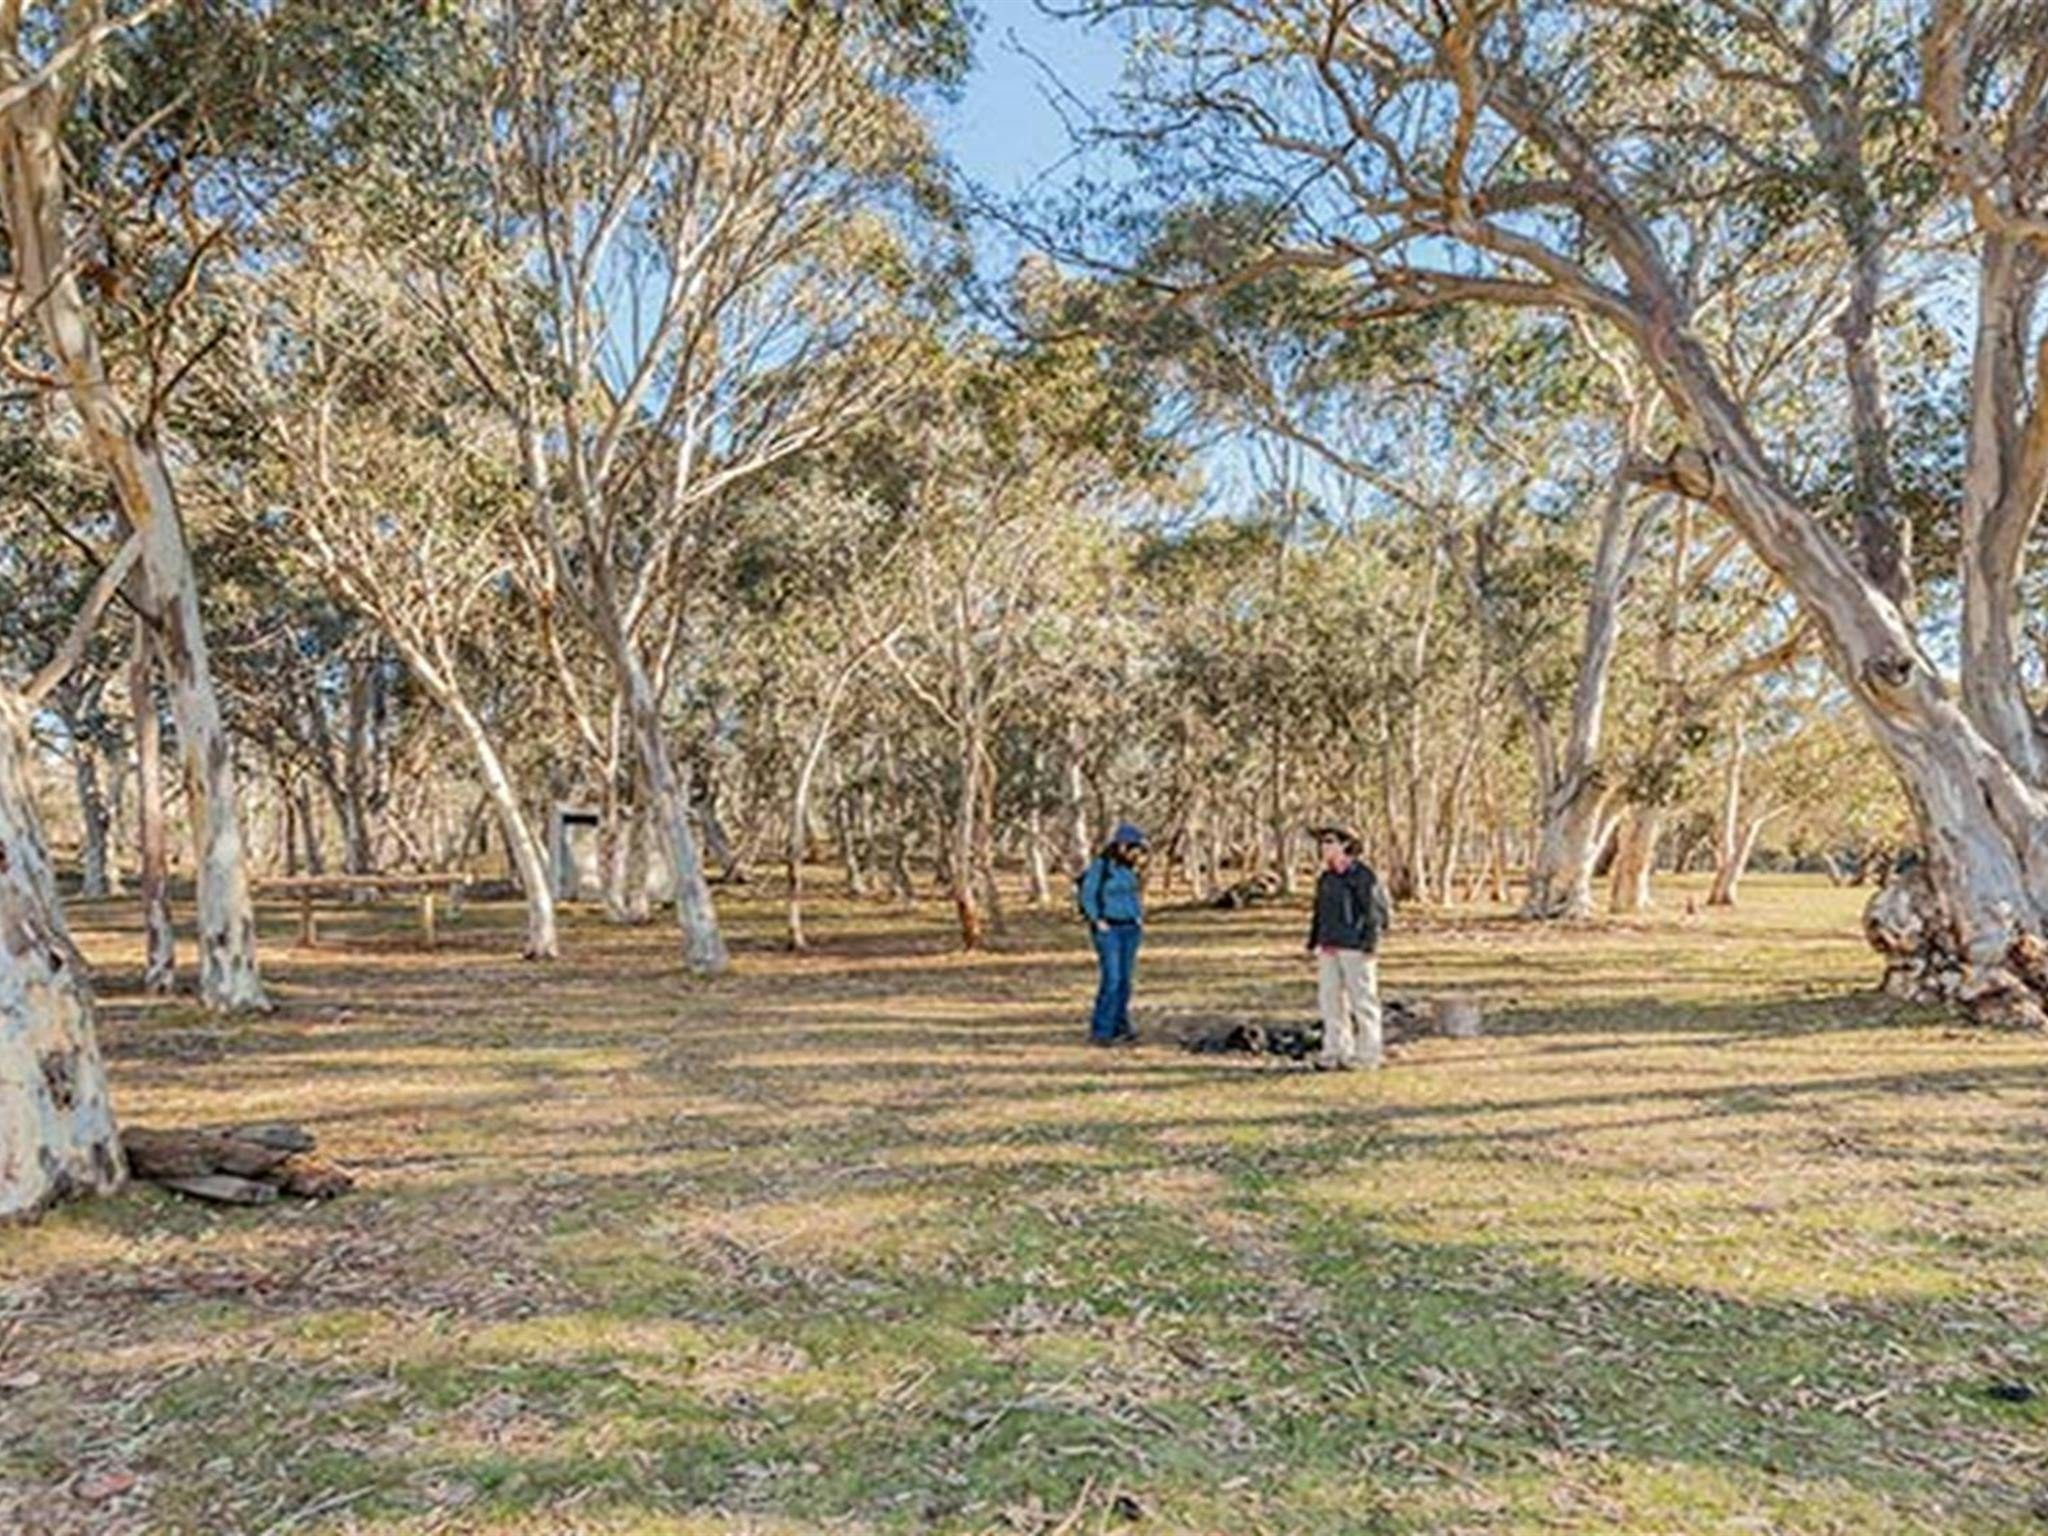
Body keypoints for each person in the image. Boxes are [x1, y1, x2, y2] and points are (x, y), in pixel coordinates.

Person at [1306, 823, 1391, 1071]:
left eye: (1330, 841)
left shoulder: (1363, 875)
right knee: (1331, 1001)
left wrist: (1371, 943)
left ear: (1345, 844)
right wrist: (1314, 942)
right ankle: (1335, 1051)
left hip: (1356, 947)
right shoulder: (1326, 878)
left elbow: (1375, 912)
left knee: (1363, 1001)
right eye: (1322, 842)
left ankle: (1369, 1055)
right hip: (1329, 946)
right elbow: (1319, 913)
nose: (1324, 847)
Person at [1078, 822, 1147, 1046]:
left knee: (1125, 981)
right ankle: (1102, 1030)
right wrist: (1097, 920)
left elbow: (1133, 896)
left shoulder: (1130, 869)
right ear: (1122, 845)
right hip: (1109, 929)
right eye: (1134, 846)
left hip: (1130, 928)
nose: (1138, 852)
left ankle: (1120, 1024)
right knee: (1112, 979)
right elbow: (1088, 894)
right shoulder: (1101, 867)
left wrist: (1138, 918)